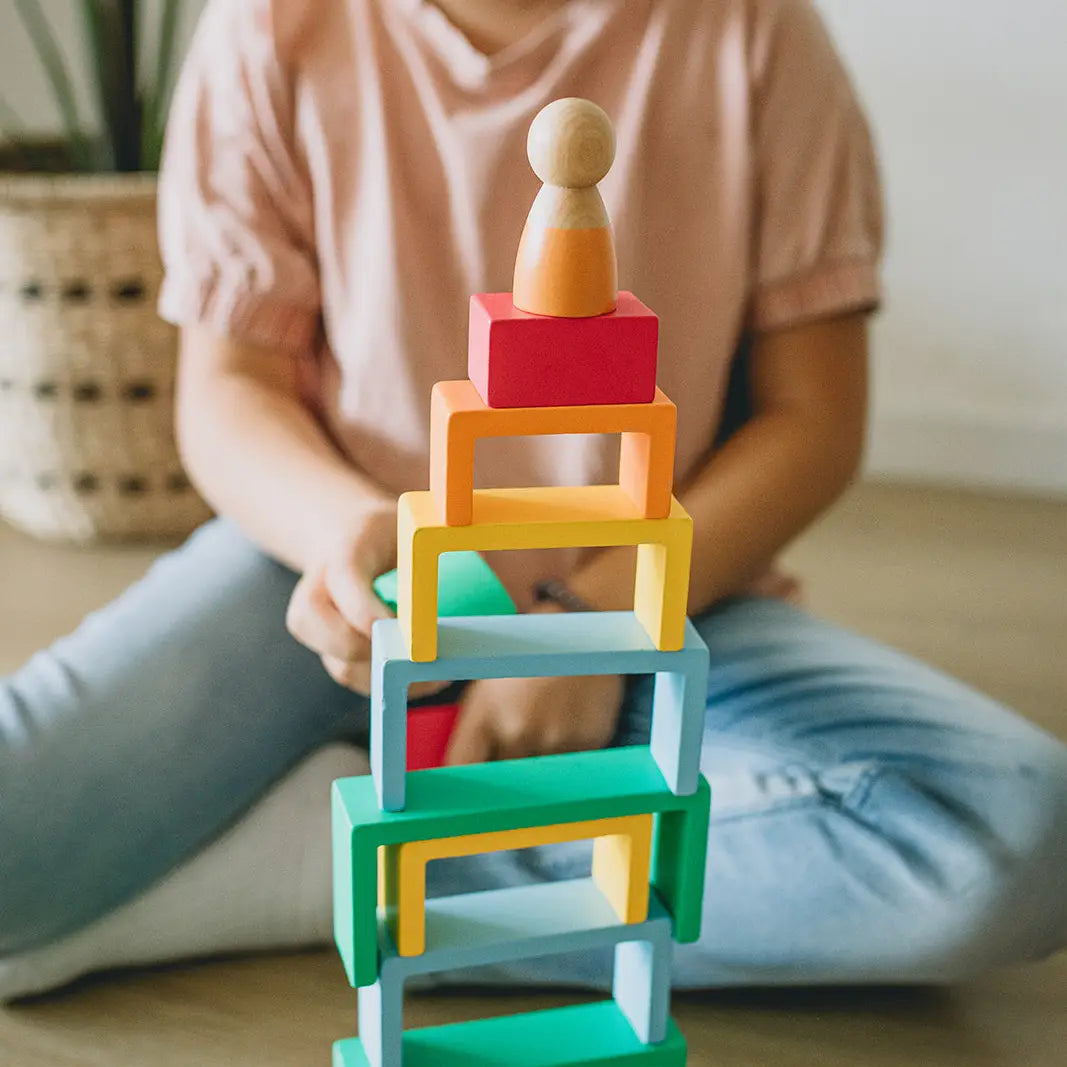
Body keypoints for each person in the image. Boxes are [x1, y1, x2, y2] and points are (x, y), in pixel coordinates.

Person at [1, 0, 1065, 1002]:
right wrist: (344, 537)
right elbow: (227, 391)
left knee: (1005, 841)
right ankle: (414, 836)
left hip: (663, 591)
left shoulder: (748, 32)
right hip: (328, 575)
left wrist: (597, 625)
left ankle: (345, 874)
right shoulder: (274, 29)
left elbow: (813, 419)